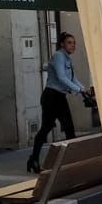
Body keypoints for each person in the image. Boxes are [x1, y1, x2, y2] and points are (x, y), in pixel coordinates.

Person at [28, 31, 84, 173]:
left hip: (60, 97)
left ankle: (69, 163)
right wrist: (78, 90)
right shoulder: (59, 56)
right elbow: (61, 77)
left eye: (74, 43)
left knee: (69, 128)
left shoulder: (67, 59)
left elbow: (71, 77)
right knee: (46, 128)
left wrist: (83, 89)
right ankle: (34, 159)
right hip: (51, 97)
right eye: (69, 43)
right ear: (62, 44)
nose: (73, 45)